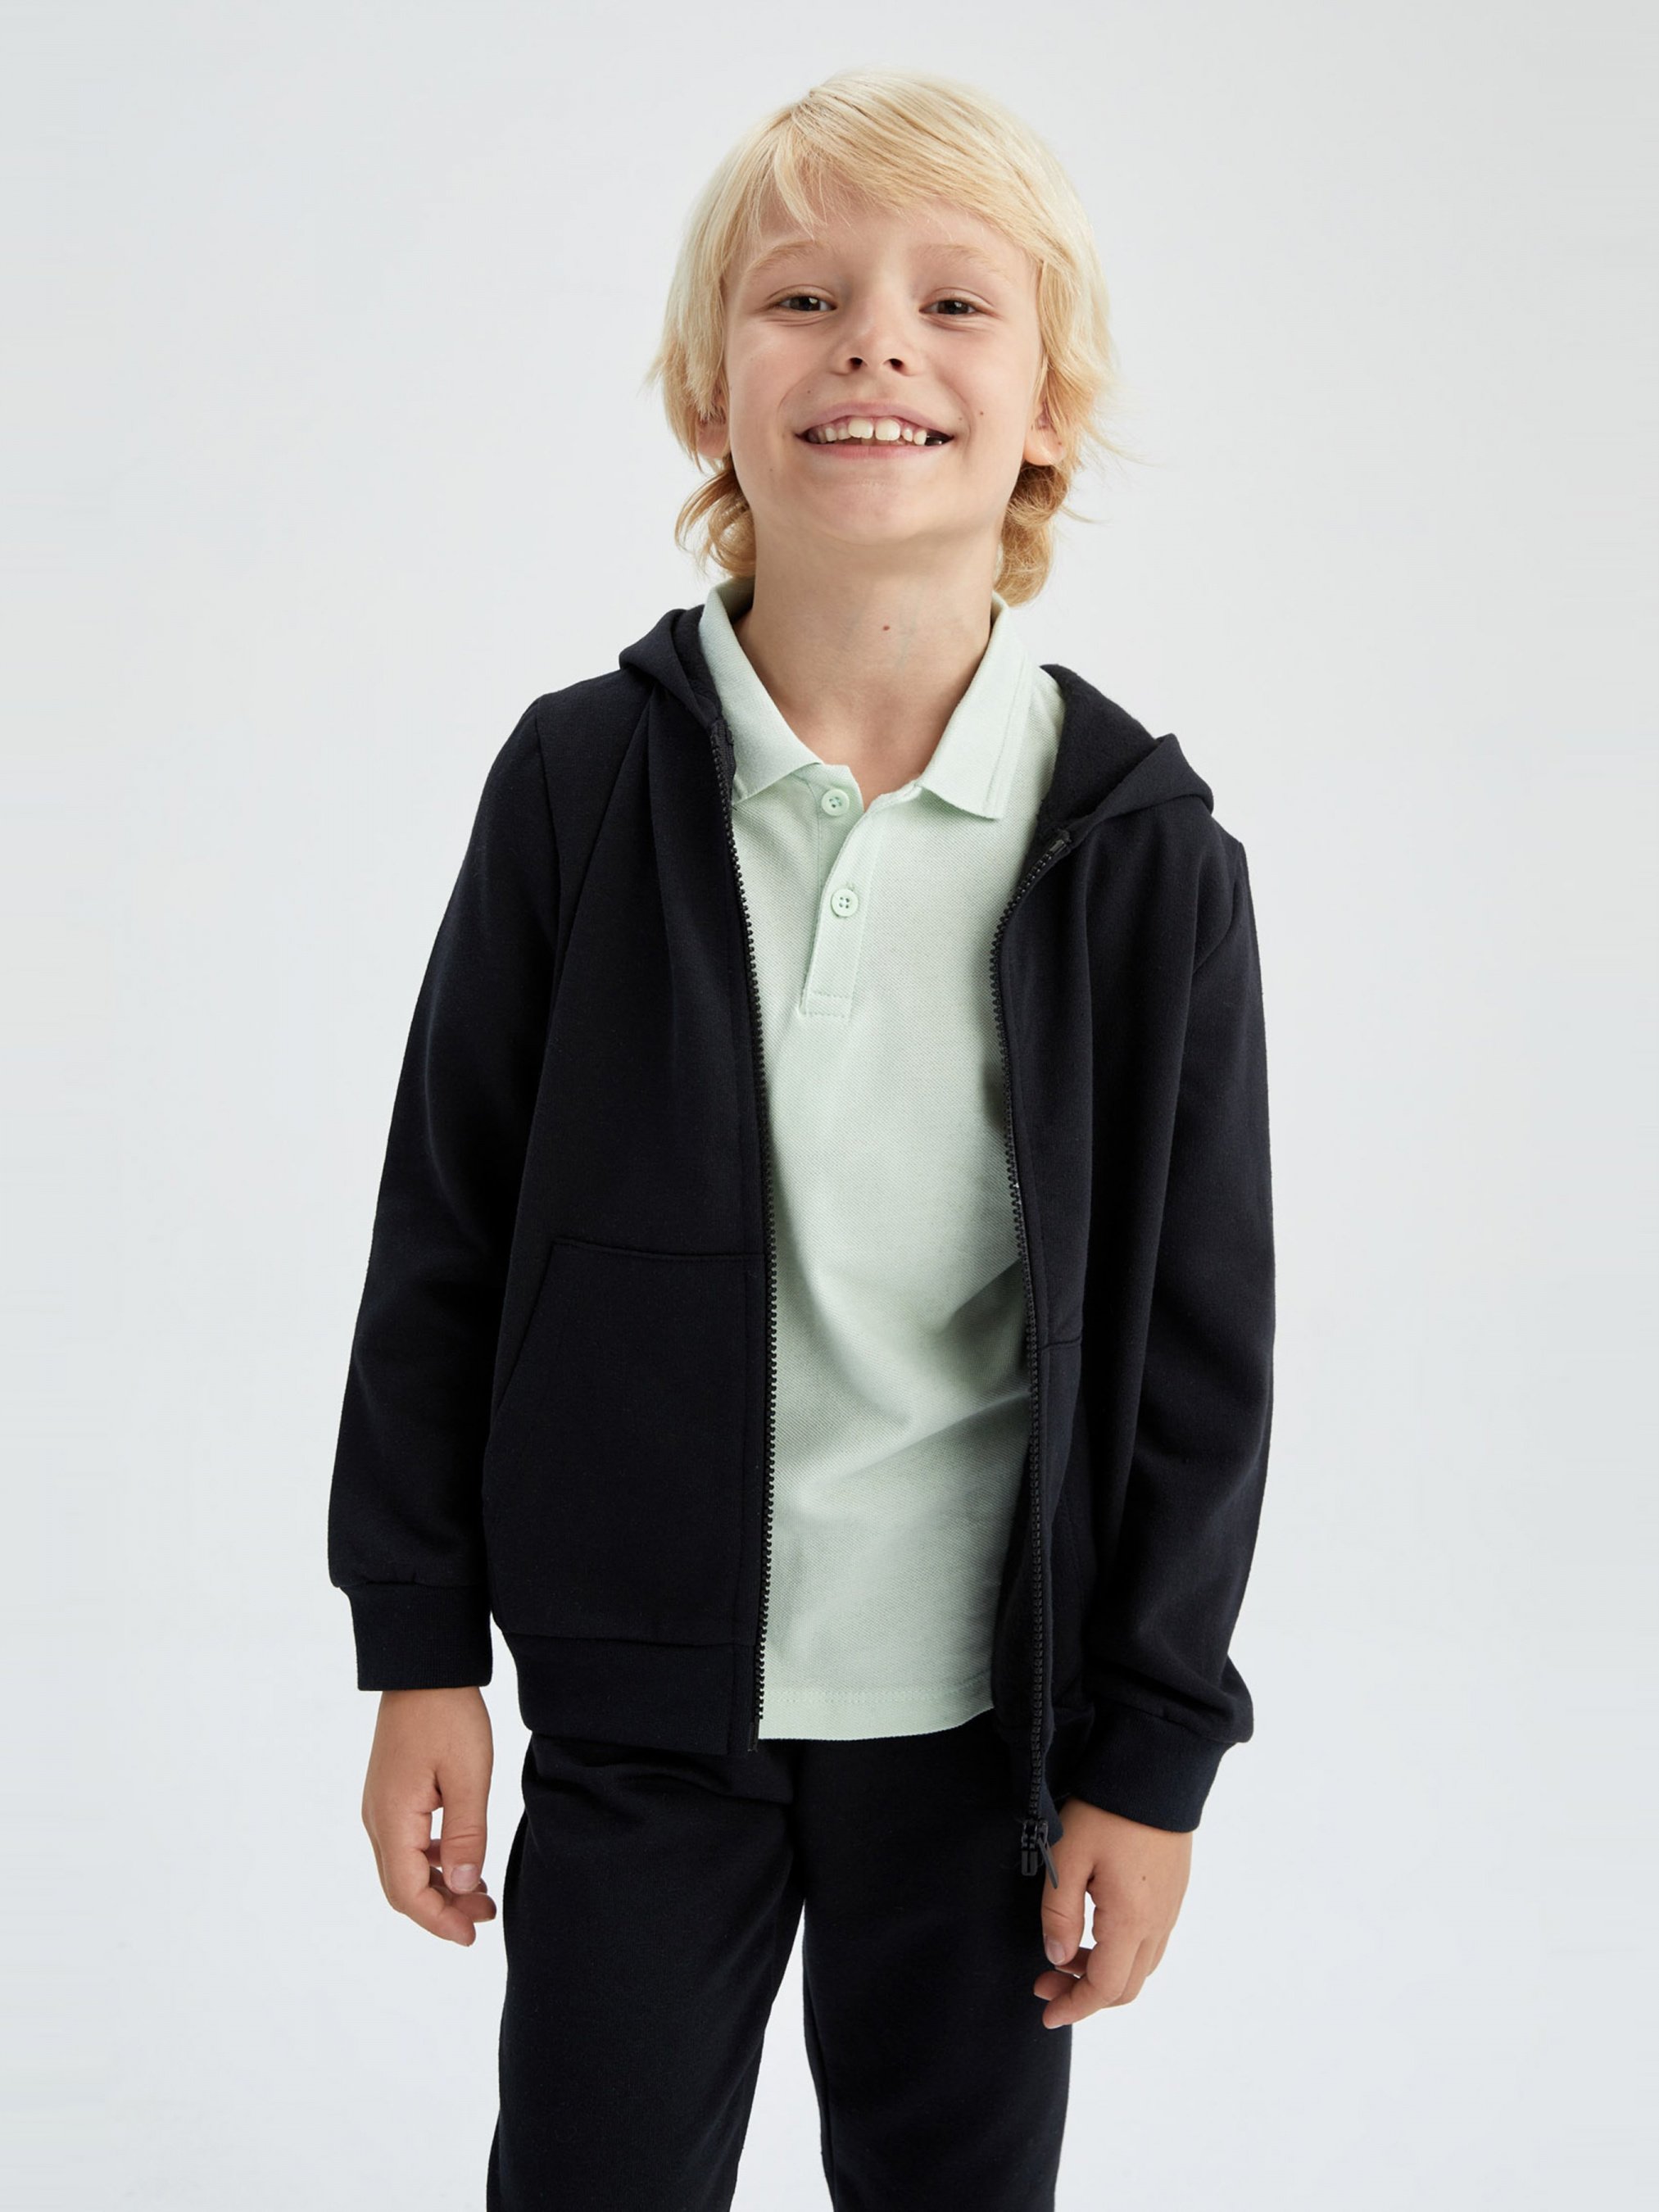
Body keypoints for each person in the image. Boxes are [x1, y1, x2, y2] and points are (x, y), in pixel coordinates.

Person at [327, 64, 1276, 2212]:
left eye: (954, 304)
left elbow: (1197, 1351)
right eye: (802, 299)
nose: (874, 347)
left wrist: (1152, 1759)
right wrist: (417, 1647)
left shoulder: (1143, 856)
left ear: (1047, 407)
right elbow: (443, 1234)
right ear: (708, 396)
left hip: (984, 1732)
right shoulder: (579, 787)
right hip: (640, 1699)